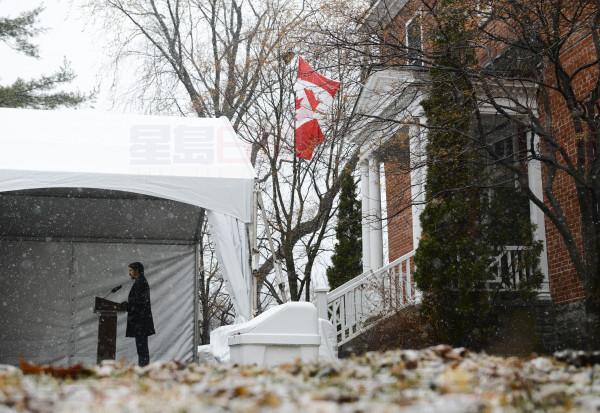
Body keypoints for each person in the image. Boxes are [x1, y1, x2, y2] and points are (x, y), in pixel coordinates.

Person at [122, 262, 155, 367]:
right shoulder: (139, 282)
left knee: (142, 349)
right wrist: (128, 305)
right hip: (140, 322)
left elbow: (141, 302)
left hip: (141, 322)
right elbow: (138, 302)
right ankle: (143, 369)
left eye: (131, 271)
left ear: (137, 270)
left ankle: (144, 370)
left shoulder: (141, 283)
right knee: (141, 349)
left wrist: (127, 306)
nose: (129, 273)